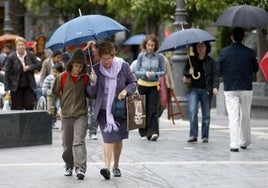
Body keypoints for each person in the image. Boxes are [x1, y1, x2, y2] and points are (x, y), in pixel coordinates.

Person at [87, 41, 136, 180]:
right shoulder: (95, 69)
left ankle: (116, 165)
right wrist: (93, 82)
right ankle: (106, 168)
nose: (106, 61)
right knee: (108, 137)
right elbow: (90, 93)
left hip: (119, 109)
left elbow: (133, 82)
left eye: (108, 58)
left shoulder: (123, 66)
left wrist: (125, 91)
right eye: (103, 58)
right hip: (103, 111)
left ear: (113, 56)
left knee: (118, 138)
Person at [47, 49, 90, 180]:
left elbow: (92, 95)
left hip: (81, 113)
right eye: (76, 65)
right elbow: (52, 94)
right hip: (66, 114)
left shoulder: (86, 78)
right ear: (71, 65)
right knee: (67, 143)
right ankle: (69, 165)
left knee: (79, 142)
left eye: (81, 66)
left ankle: (81, 169)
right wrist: (51, 108)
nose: (78, 68)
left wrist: (94, 82)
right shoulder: (63, 77)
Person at [217, 27, 259, 152]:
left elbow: (219, 71)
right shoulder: (250, 52)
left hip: (230, 88)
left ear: (232, 37)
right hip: (246, 87)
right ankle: (244, 141)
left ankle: (234, 144)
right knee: (245, 115)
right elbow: (255, 69)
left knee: (233, 116)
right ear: (243, 38)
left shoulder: (224, 52)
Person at [183, 42, 219, 143]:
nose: (200, 48)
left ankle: (205, 136)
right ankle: (193, 135)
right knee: (193, 111)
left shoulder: (211, 61)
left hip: (206, 90)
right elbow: (184, 72)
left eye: (202, 46)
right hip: (193, 89)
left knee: (206, 114)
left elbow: (215, 75)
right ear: (195, 48)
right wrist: (188, 72)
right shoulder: (191, 60)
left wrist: (215, 87)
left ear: (206, 47)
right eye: (198, 46)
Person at [134, 34, 166, 141]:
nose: (150, 47)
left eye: (152, 45)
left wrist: (155, 74)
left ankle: (153, 132)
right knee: (142, 110)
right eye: (148, 45)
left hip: (154, 86)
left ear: (155, 46)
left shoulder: (160, 57)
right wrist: (144, 74)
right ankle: (143, 132)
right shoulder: (141, 56)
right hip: (142, 85)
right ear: (145, 45)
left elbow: (163, 71)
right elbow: (136, 71)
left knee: (153, 109)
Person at [4, 37, 42, 110]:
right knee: (17, 107)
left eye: (22, 45)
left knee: (29, 105)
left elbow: (39, 65)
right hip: (16, 86)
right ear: (16, 46)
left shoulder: (31, 55)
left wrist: (29, 67)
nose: (20, 46)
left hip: (29, 84)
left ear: (25, 46)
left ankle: (29, 121)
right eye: (18, 45)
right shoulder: (11, 57)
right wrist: (6, 88)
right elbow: (7, 73)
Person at [83, 41, 101, 140]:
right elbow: (80, 54)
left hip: (97, 86)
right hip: (85, 86)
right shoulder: (86, 55)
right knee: (85, 110)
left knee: (95, 109)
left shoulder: (99, 56)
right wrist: (87, 46)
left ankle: (93, 130)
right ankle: (84, 128)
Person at [42, 63, 64, 128]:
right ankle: (51, 112)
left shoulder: (64, 78)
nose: (54, 74)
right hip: (52, 95)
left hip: (62, 95)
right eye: (53, 72)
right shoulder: (49, 78)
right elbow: (44, 90)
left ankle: (60, 113)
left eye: (56, 72)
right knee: (51, 97)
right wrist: (52, 92)